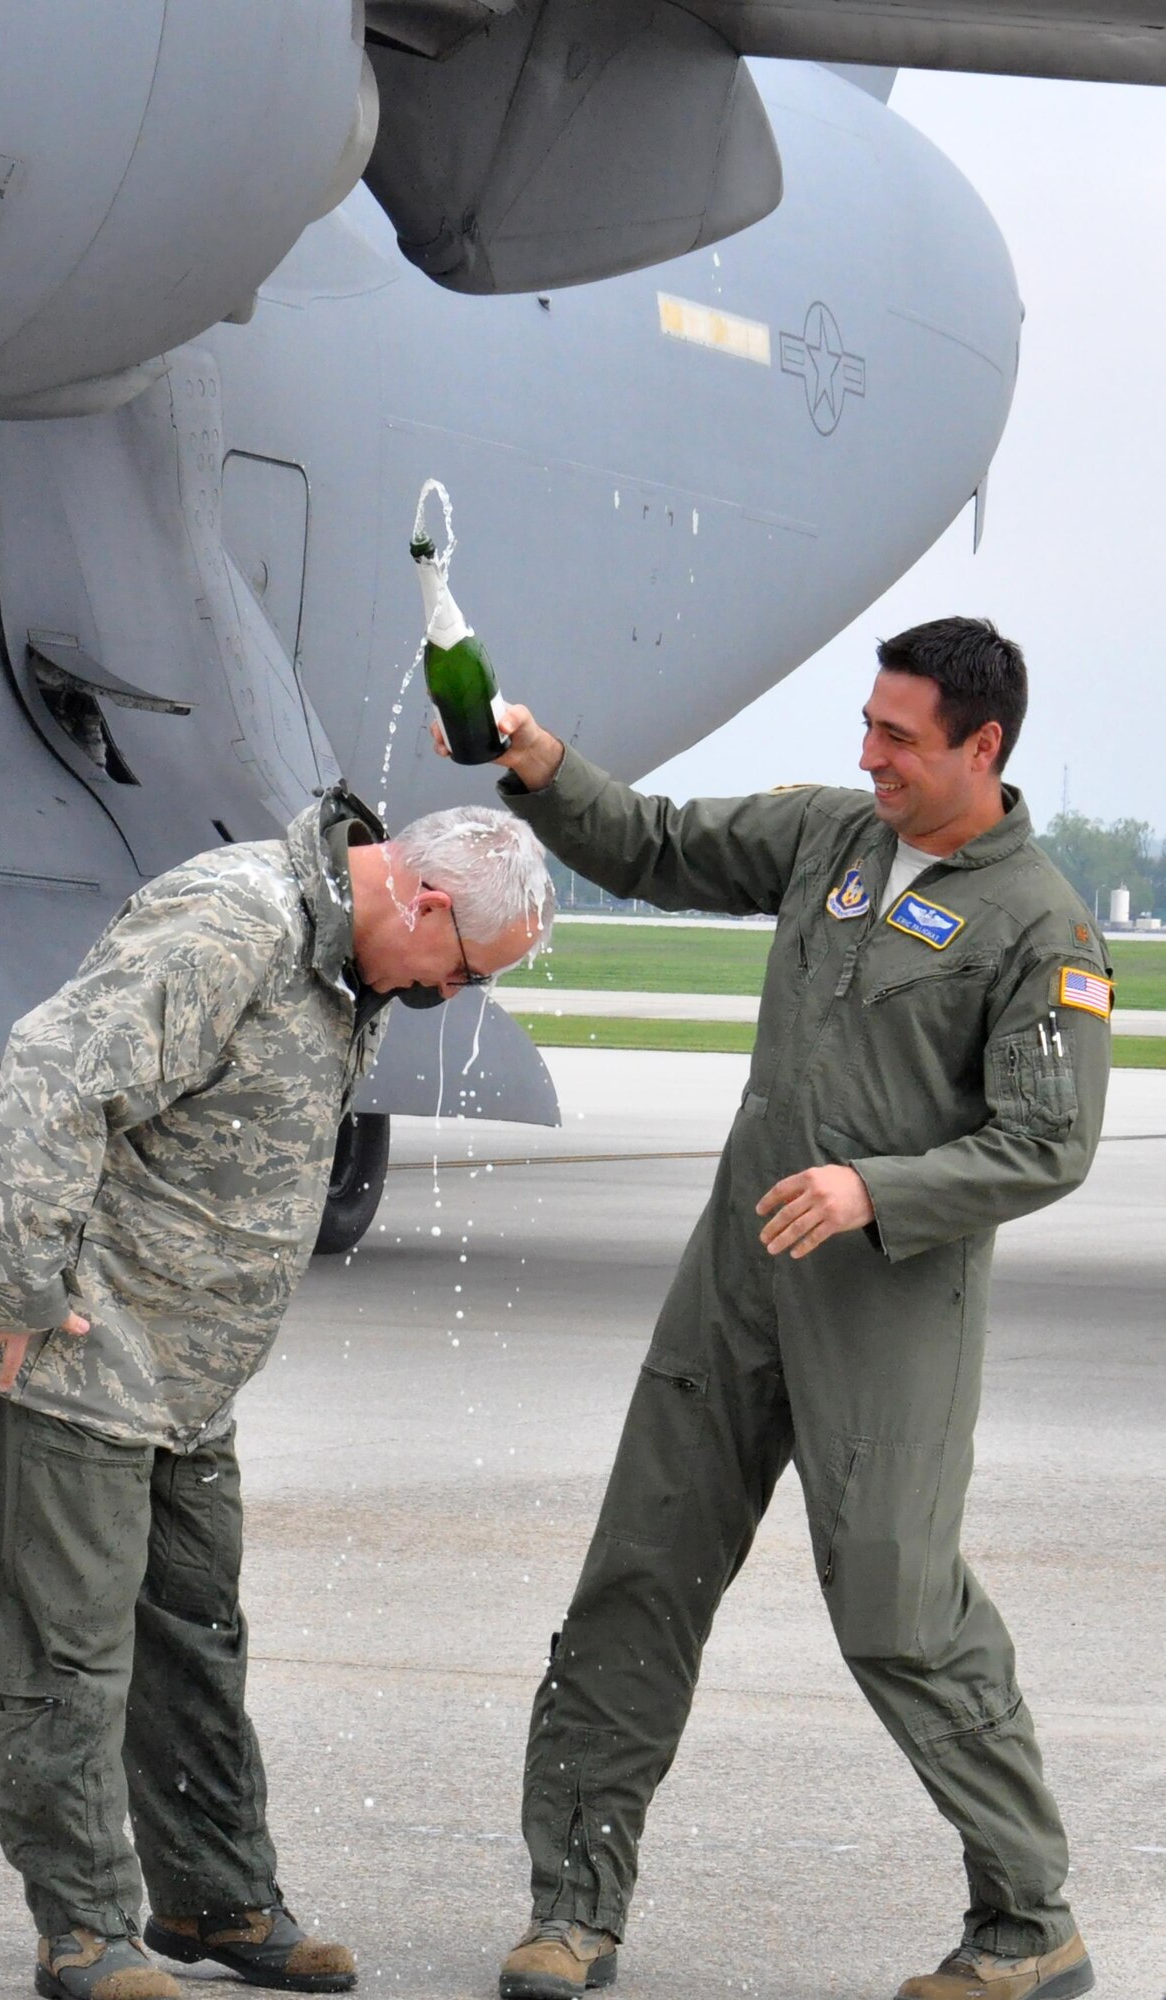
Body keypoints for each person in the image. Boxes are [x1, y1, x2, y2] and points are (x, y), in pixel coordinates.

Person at [453, 621, 1110, 2000]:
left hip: (887, 1315)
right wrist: (542, 764)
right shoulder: (831, 840)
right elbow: (654, 845)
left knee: (897, 1610)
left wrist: (878, 1189)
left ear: (982, 749)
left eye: (900, 738)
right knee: (638, 1577)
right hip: (739, 1284)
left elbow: (1047, 1143)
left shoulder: (1040, 924)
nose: (866, 755)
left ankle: (1026, 1920)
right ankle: (574, 1909)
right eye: (866, 725)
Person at [0, 786, 554, 2000]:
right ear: (423, 896)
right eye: (463, 971)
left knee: (198, 1638)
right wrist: (10, 1278)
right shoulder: (232, 922)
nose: (451, 998)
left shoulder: (344, 959)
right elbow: (55, 1073)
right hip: (84, 1341)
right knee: (70, 1650)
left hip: (190, 1372)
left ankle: (213, 1896)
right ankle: (85, 1926)